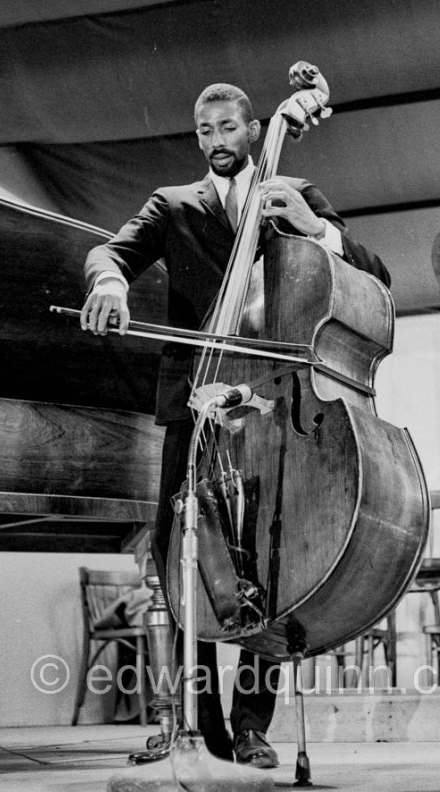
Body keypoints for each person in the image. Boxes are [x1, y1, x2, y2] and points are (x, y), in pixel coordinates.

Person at [80, 82, 390, 767]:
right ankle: (196, 722)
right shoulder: (173, 206)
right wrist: (108, 283)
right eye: (204, 130)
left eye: (228, 127)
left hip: (274, 412)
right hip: (193, 403)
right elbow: (111, 253)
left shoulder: (294, 192)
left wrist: (316, 231)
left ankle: (252, 726)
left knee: (269, 562)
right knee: (179, 558)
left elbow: (376, 275)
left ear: (254, 130)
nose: (217, 140)